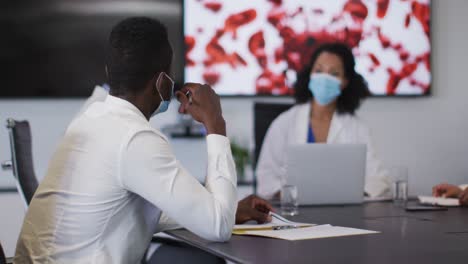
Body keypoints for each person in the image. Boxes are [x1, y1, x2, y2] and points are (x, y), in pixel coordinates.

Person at [14, 17, 272, 263]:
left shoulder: (90, 117)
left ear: (109, 71)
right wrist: (215, 122)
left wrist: (223, 209)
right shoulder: (134, 138)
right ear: (162, 82)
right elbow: (219, 227)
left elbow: (120, 210)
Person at [257, 42, 390, 199]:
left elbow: (379, 179)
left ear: (345, 82)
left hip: (342, 214)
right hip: (293, 213)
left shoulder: (357, 127)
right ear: (310, 75)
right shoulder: (284, 123)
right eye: (319, 70)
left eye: (334, 74)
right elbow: (265, 177)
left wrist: (349, 195)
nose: (324, 78)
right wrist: (291, 196)